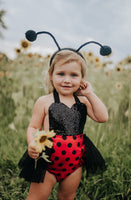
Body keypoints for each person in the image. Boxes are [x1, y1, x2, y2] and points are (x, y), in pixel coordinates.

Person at [20, 49, 108, 200]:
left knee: (68, 196)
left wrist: (90, 94)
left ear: (82, 79)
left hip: (74, 162)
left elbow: (102, 117)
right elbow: (33, 127)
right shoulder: (44, 101)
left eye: (74, 75)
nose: (67, 80)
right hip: (47, 161)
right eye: (61, 74)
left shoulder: (84, 101)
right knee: (36, 197)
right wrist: (32, 142)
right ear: (51, 75)